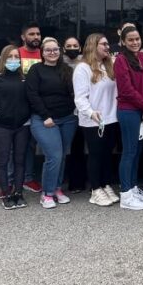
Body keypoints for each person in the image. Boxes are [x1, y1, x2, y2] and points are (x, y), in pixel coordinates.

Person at [25, 37, 78, 209]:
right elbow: (32, 95)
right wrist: (45, 115)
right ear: (42, 53)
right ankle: (46, 193)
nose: (52, 53)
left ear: (60, 51)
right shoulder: (36, 70)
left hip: (68, 118)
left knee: (62, 155)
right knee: (54, 155)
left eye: (55, 49)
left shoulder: (67, 70)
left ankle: (57, 189)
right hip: (44, 120)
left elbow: (73, 93)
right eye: (48, 50)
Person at [0, 45, 31, 210]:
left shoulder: (25, 77)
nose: (14, 60)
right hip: (2, 127)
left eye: (17, 57)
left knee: (20, 161)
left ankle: (18, 193)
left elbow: (31, 100)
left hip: (22, 126)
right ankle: (6, 193)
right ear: (4, 58)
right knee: (2, 161)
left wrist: (26, 115)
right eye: (10, 57)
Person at [73, 34, 120, 207]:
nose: (108, 47)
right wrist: (90, 113)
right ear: (93, 45)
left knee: (108, 154)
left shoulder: (109, 65)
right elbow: (80, 98)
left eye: (108, 44)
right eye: (104, 44)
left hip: (111, 118)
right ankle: (95, 189)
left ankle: (106, 184)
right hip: (94, 120)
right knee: (95, 154)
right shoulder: (82, 68)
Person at [114, 25, 143, 211]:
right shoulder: (121, 60)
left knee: (138, 152)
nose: (135, 42)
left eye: (137, 38)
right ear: (123, 42)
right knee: (129, 152)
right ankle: (125, 194)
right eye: (130, 39)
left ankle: (132, 187)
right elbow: (126, 90)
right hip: (129, 110)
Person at [18, 22, 43, 194]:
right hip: (19, 107)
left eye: (38, 34)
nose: (36, 37)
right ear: (23, 37)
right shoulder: (16, 54)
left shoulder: (45, 53)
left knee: (31, 145)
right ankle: (14, 180)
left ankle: (28, 178)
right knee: (17, 145)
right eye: (32, 34)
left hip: (39, 107)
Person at [60, 35, 87, 193]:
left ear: (80, 48)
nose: (72, 49)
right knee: (65, 147)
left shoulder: (85, 64)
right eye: (68, 46)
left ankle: (78, 182)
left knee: (79, 147)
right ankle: (63, 180)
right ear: (64, 49)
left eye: (75, 45)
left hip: (83, 111)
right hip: (67, 111)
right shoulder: (59, 64)